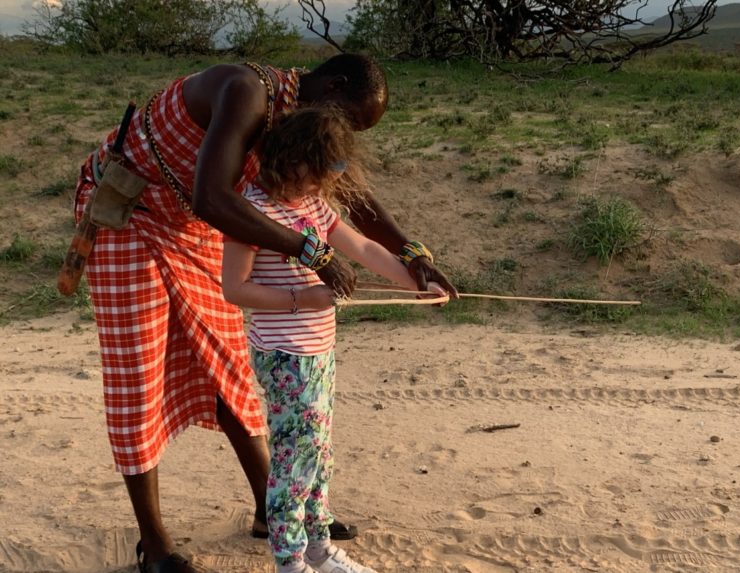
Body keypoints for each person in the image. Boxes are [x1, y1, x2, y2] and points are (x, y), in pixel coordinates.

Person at [73, 54, 457, 573]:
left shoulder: (299, 136)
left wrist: (414, 258)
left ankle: (272, 510)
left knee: (226, 363)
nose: (342, 137)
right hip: (132, 217)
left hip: (192, 225)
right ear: (334, 86)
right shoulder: (246, 92)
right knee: (138, 378)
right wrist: (312, 253)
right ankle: (156, 546)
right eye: (348, 120)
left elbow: (350, 206)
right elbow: (212, 197)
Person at [222, 105, 443, 573]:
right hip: (284, 355)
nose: (319, 187)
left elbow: (361, 247)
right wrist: (304, 297)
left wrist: (417, 281)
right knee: (293, 459)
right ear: (290, 158)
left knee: (318, 450)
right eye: (313, 175)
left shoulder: (312, 205)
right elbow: (234, 288)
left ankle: (318, 546)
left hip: (317, 351)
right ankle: (290, 559)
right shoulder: (252, 210)